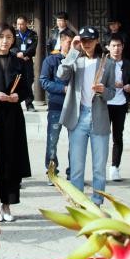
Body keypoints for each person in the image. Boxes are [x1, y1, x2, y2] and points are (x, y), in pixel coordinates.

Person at [58, 27, 116, 206]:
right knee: (76, 166)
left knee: (99, 167)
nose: (87, 43)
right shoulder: (76, 61)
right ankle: (78, 201)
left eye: (90, 40)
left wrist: (103, 90)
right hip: (78, 117)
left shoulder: (108, 63)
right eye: (83, 40)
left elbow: (113, 93)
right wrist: (72, 51)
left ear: (97, 41)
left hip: (99, 117)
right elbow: (61, 74)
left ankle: (97, 202)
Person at [0, 23, 32, 222]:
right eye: (2, 37)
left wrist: (17, 97)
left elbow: (27, 89)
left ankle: (7, 205)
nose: (5, 41)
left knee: (11, 160)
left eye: (9, 37)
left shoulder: (19, 62)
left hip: (13, 116)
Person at [40, 30, 73, 180]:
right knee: (52, 141)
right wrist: (63, 89)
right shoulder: (51, 60)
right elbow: (44, 81)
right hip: (56, 105)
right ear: (62, 42)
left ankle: (73, 172)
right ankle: (52, 172)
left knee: (75, 142)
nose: (72, 45)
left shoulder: (78, 59)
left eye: (74, 42)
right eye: (69, 42)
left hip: (74, 106)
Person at [105, 34, 130, 182]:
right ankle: (100, 166)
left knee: (118, 136)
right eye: (113, 46)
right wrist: (111, 85)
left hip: (121, 104)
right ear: (108, 47)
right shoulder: (103, 63)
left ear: (123, 47)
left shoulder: (128, 64)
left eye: (119, 46)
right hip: (105, 104)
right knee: (102, 136)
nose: (116, 49)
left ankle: (115, 167)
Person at [13, 16, 38, 111]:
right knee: (16, 81)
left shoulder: (32, 34)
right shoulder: (14, 34)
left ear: (26, 23)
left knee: (28, 81)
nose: (19, 26)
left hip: (27, 61)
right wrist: (18, 54)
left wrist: (23, 54)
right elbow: (12, 46)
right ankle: (16, 102)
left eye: (21, 24)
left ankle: (29, 103)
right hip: (16, 61)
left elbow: (33, 47)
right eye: (18, 24)